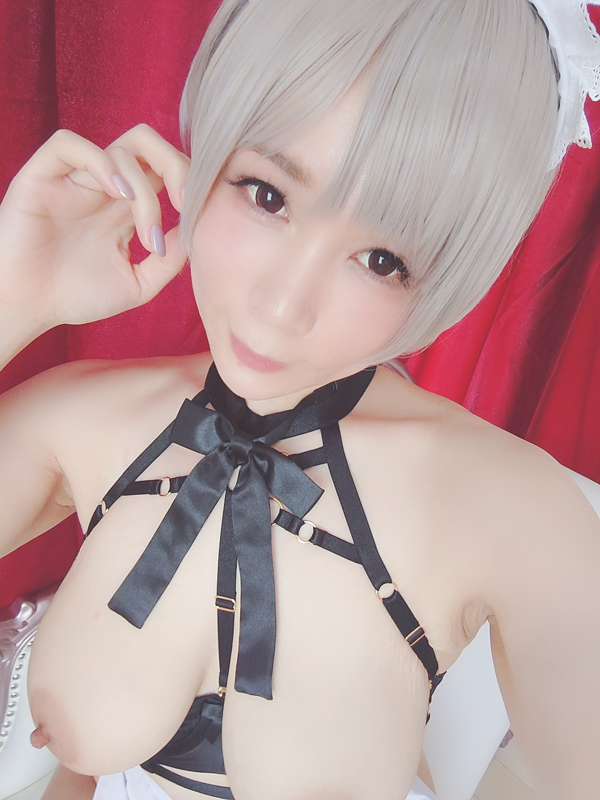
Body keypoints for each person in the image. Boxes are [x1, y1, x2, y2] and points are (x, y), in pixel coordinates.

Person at [1, 1, 599, 799]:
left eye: (381, 259)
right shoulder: (86, 421)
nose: (283, 308)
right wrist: (12, 298)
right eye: (267, 195)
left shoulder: (517, 510)